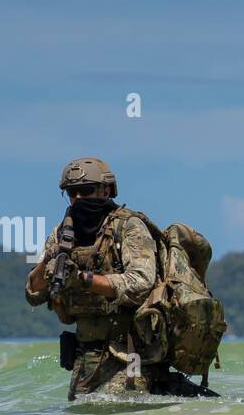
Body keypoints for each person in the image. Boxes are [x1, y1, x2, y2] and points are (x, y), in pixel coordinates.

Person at [24, 157, 216, 399]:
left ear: (105, 190)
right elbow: (33, 293)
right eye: (72, 193)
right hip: (86, 357)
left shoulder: (128, 227)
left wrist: (84, 279)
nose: (78, 199)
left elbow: (140, 283)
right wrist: (48, 262)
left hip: (131, 354)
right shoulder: (61, 234)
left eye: (85, 190)